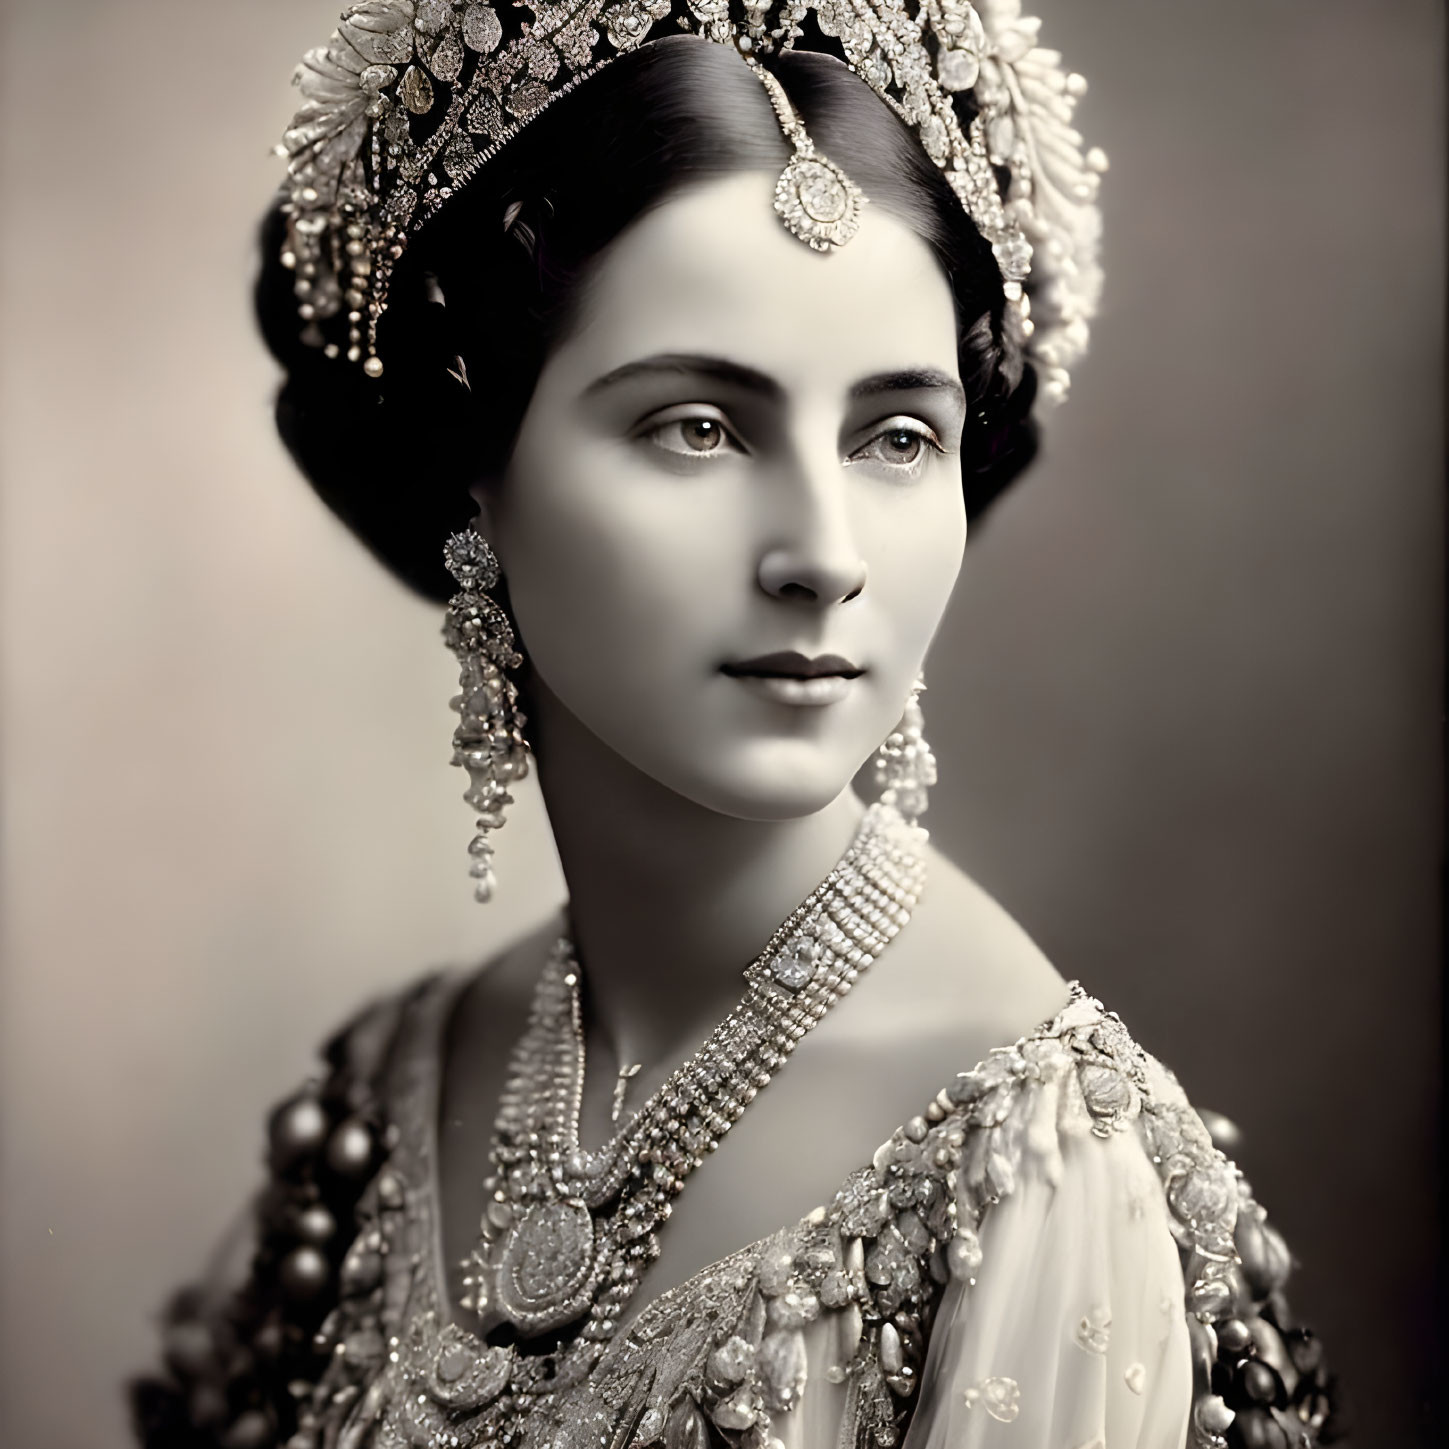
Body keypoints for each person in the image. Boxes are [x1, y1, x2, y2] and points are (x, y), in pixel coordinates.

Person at [132, 5, 1338, 1448]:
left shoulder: (1026, 1169)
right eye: (698, 425)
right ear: (473, 474)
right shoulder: (400, 1076)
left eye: (897, 437)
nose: (823, 554)